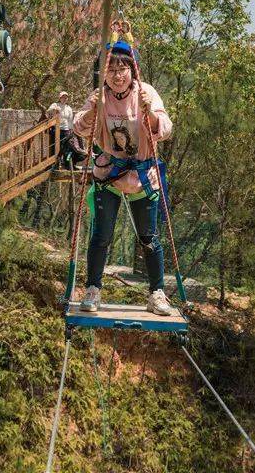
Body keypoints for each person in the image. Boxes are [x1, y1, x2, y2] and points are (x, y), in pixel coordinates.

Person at [72, 40, 173, 316]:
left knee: (149, 238)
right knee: (101, 236)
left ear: (132, 70)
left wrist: (150, 112)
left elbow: (165, 128)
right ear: (103, 72)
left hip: (142, 174)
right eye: (112, 69)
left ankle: (156, 293)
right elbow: (79, 127)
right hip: (109, 173)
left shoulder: (146, 93)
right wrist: (92, 110)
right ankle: (93, 288)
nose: (117, 75)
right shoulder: (99, 97)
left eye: (123, 69)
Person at [47, 91, 75, 168]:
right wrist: (54, 109)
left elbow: (70, 120)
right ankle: (53, 165)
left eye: (66, 97)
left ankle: (67, 164)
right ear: (60, 98)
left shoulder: (69, 108)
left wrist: (71, 130)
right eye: (63, 97)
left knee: (66, 148)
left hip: (66, 130)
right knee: (54, 147)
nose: (64, 99)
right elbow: (48, 111)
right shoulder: (55, 105)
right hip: (56, 129)